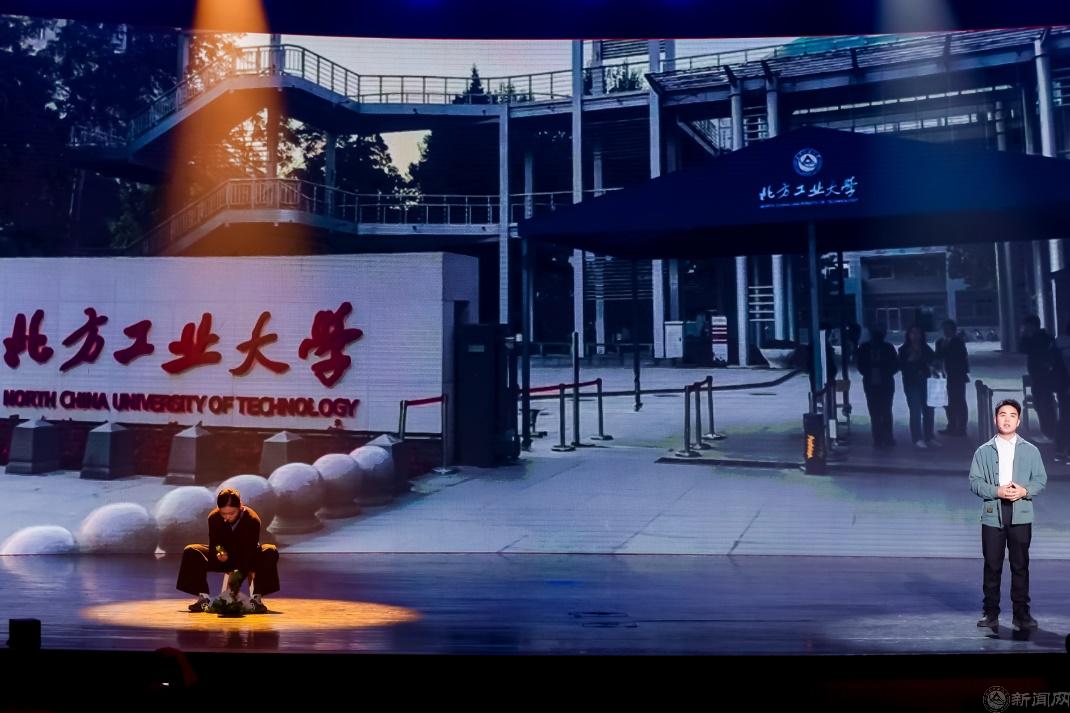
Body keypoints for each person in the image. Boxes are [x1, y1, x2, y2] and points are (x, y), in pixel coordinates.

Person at [970, 399, 1046, 632]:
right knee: (992, 566)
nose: (1007, 419)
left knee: (1020, 566)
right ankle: (990, 613)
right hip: (993, 513)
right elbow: (975, 482)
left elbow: (1040, 480)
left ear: (1019, 421)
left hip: (1020, 513)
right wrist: (997, 491)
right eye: (1002, 414)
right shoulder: (983, 451)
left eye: (1012, 415)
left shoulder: (1031, 450)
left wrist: (1024, 491)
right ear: (996, 419)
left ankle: (1021, 615)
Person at [176, 488, 279, 613]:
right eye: (223, 513)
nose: (227, 517)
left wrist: (232, 588)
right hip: (224, 558)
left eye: (231, 513)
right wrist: (220, 552)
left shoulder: (252, 519)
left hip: (247, 557)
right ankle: (203, 598)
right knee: (191, 551)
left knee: (270, 551)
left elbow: (249, 552)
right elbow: (215, 543)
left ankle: (256, 600)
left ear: (240, 506)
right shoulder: (213, 517)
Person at [855, 325, 899, 448]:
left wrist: (884, 371)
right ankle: (879, 438)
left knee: (884, 411)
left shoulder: (888, 347)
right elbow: (860, 365)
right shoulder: (864, 348)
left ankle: (886, 438)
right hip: (872, 382)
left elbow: (895, 365)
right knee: (876, 412)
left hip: (885, 382)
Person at [898, 324, 938, 448]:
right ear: (909, 335)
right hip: (911, 383)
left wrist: (931, 366)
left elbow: (934, 362)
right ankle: (917, 438)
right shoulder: (903, 350)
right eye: (913, 333)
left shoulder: (926, 349)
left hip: (926, 382)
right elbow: (900, 366)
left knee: (929, 410)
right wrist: (910, 359)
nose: (915, 336)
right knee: (915, 411)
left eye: (918, 333)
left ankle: (929, 436)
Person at [1019, 314, 1058, 440]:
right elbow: (1022, 348)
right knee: (1041, 404)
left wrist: (1024, 335)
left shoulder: (1041, 338)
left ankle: (1050, 431)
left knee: (1044, 404)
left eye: (1027, 326)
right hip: (1037, 376)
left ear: (1032, 326)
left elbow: (1024, 348)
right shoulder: (1040, 337)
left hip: (1043, 375)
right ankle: (1048, 430)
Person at [935, 319, 969, 437]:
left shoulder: (958, 342)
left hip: (957, 376)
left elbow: (960, 357)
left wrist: (945, 349)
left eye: (948, 329)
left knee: (959, 401)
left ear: (953, 330)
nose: (946, 331)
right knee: (947, 402)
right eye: (944, 329)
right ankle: (951, 425)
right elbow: (937, 357)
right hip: (944, 376)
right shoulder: (940, 342)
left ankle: (962, 428)